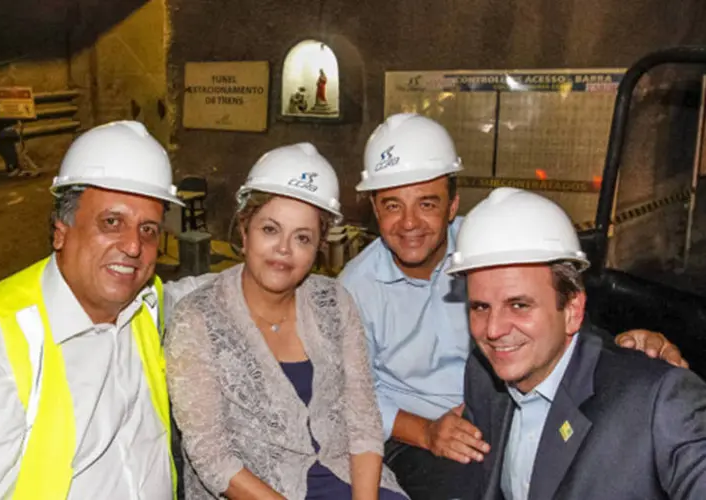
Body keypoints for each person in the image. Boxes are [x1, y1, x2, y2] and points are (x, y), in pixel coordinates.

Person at [338, 112, 689, 499]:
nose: (409, 223)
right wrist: (425, 431)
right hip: (414, 433)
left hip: (503, 407)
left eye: (426, 204)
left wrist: (624, 350)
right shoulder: (354, 290)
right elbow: (346, 393)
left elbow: (553, 313)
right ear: (374, 208)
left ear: (453, 205)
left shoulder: (489, 243)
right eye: (392, 206)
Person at [0, 121, 186, 499]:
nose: (133, 246)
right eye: (112, 222)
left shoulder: (146, 306)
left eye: (148, 230)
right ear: (61, 229)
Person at [165, 143, 407, 499]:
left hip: (349, 482)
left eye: (302, 238)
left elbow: (363, 421)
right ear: (244, 231)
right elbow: (211, 455)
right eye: (270, 230)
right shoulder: (197, 319)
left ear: (319, 247)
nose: (284, 249)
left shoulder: (334, 302)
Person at [451, 187, 706, 499]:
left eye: (519, 305)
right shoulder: (482, 377)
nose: (493, 330)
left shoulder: (657, 401)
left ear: (572, 311)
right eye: (480, 307)